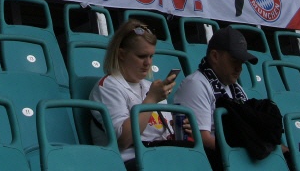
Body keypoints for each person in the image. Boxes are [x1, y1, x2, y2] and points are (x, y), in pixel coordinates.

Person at [175, 26, 281, 169]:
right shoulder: (196, 84)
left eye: (242, 62)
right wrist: (245, 152)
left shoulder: (236, 88)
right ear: (215, 56)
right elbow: (202, 140)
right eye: (234, 60)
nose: (239, 68)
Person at [89, 19, 182, 169]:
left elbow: (163, 134)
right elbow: (123, 140)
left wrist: (181, 130)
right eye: (141, 56)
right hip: (129, 161)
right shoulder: (108, 86)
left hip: (162, 157)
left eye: (151, 56)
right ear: (122, 54)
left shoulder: (148, 86)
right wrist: (151, 99)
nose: (148, 63)